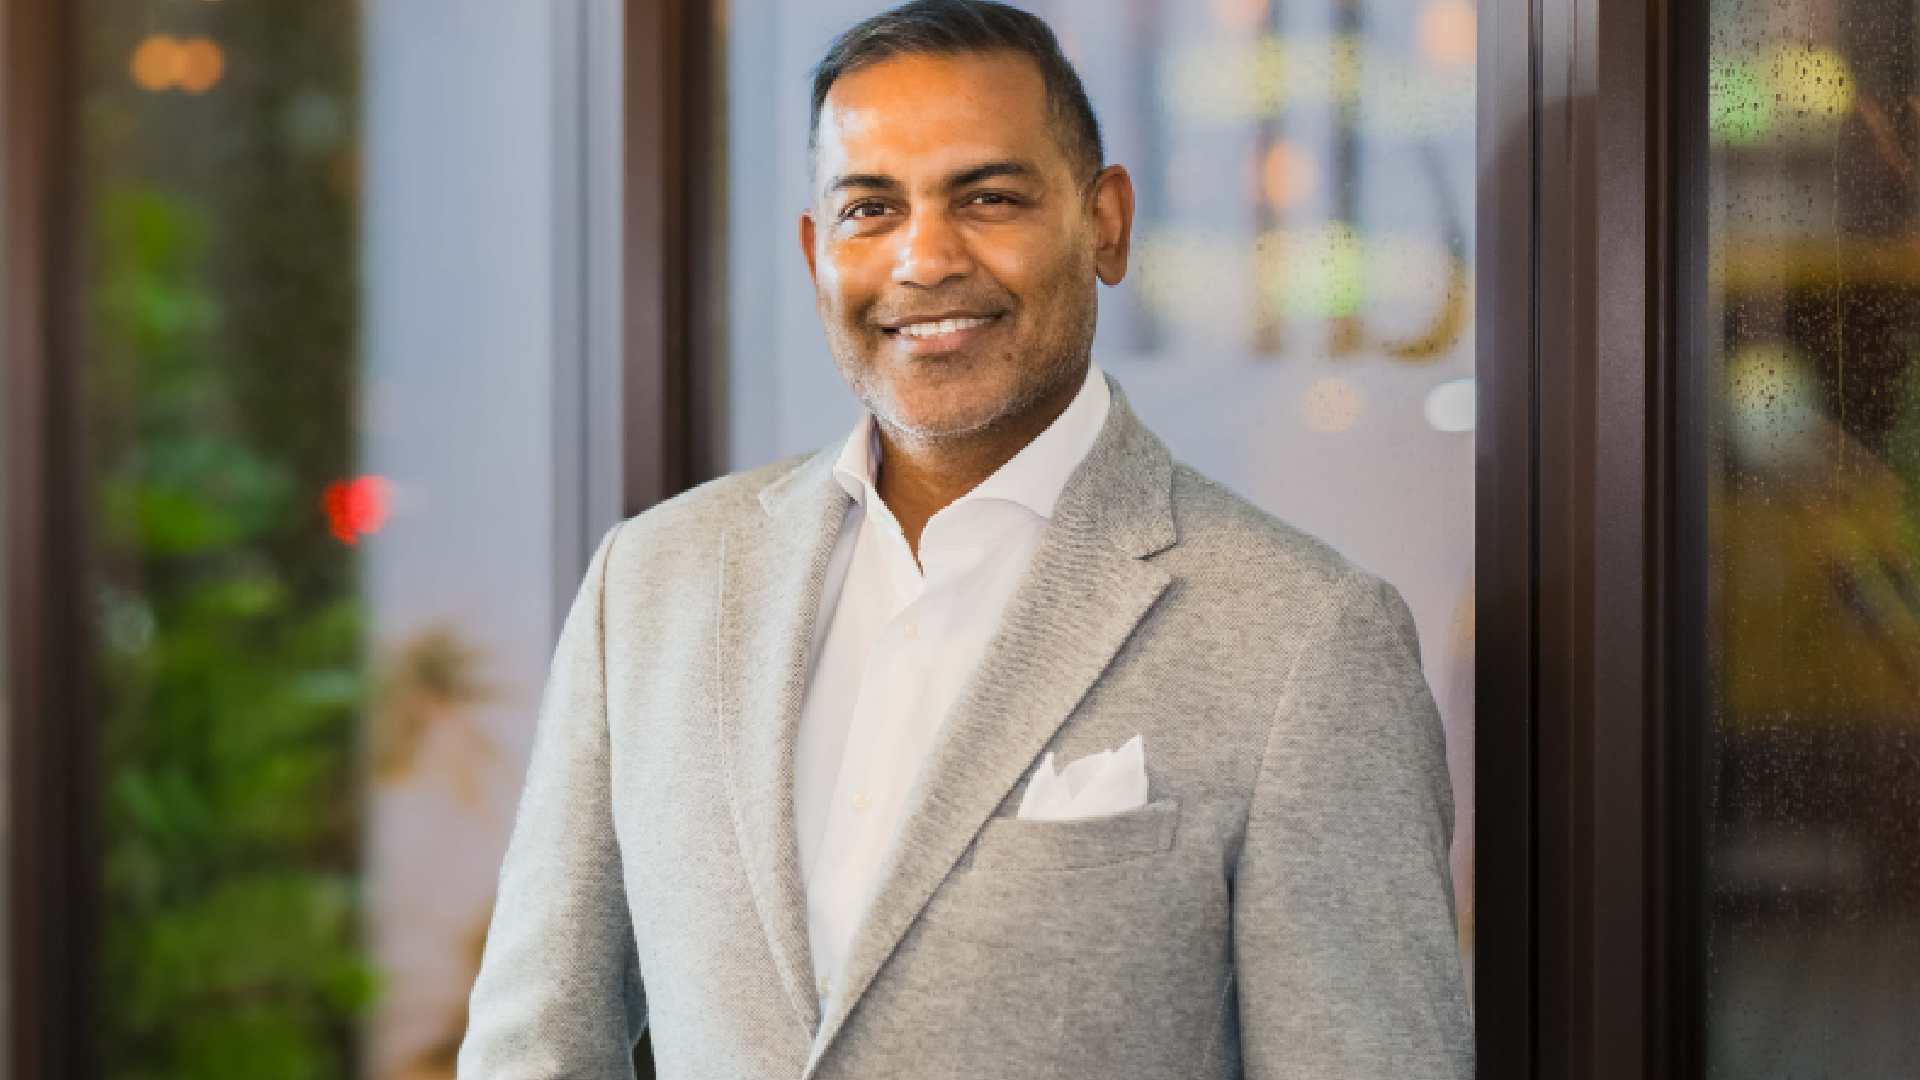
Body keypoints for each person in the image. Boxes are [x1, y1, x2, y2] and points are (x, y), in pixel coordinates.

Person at [456, 1, 1473, 1077]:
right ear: (817, 254)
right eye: (870, 208)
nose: (925, 258)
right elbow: (535, 1046)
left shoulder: (1304, 636)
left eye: (987, 198)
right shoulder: (652, 584)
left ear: (1106, 222)